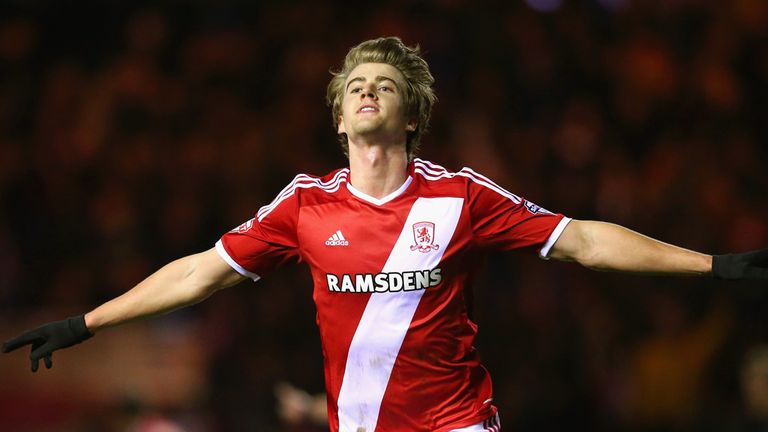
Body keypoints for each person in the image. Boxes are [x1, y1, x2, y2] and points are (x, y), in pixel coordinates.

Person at [3, 37, 767, 432]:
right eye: (355, 85)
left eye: (386, 84)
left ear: (411, 116)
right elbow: (201, 272)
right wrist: (85, 322)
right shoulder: (304, 206)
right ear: (339, 118)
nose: (368, 90)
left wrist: (715, 266)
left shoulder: (460, 196)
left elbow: (583, 241)